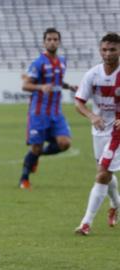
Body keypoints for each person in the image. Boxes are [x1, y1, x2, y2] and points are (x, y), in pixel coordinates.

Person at [18, 28, 78, 189]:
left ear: (59, 42)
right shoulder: (38, 63)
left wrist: (69, 86)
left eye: (55, 39)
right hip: (39, 112)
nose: (52, 42)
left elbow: (57, 82)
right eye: (49, 39)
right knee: (35, 147)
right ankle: (24, 178)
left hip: (56, 112)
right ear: (44, 42)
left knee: (65, 143)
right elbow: (26, 86)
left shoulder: (63, 61)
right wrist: (40, 87)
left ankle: (36, 156)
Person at [74, 33, 120, 235]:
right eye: (104, 49)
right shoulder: (93, 74)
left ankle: (86, 223)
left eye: (112, 49)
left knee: (102, 174)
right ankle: (116, 203)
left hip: (117, 133)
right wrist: (92, 116)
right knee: (104, 173)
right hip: (99, 130)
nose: (108, 53)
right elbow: (79, 102)